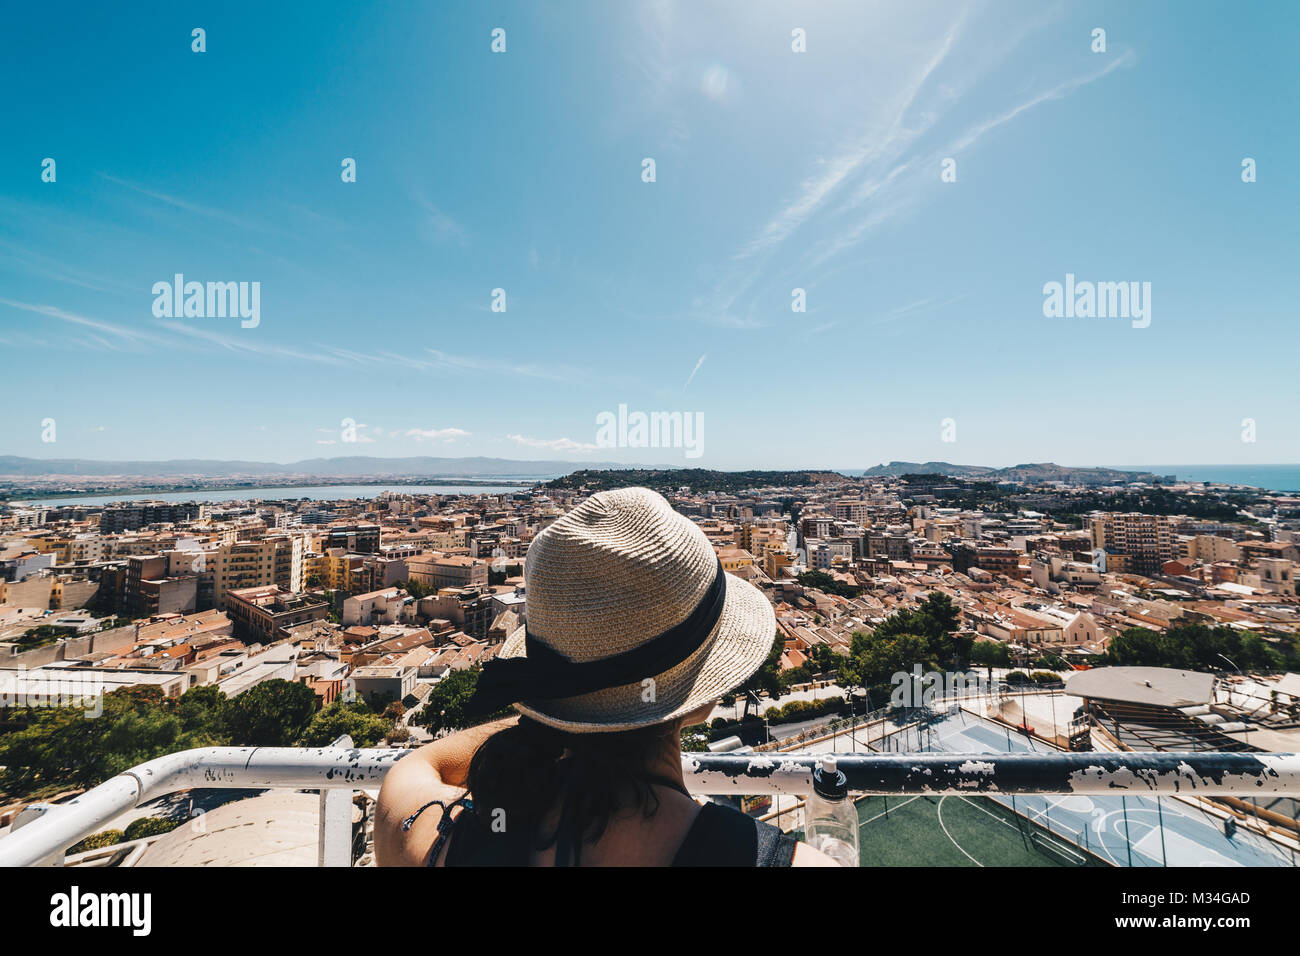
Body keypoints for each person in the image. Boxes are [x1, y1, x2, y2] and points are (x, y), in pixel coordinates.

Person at [375, 487, 839, 866]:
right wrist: (573, 710)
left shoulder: (428, 839)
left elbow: (415, 767)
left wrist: (560, 716)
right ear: (699, 695)